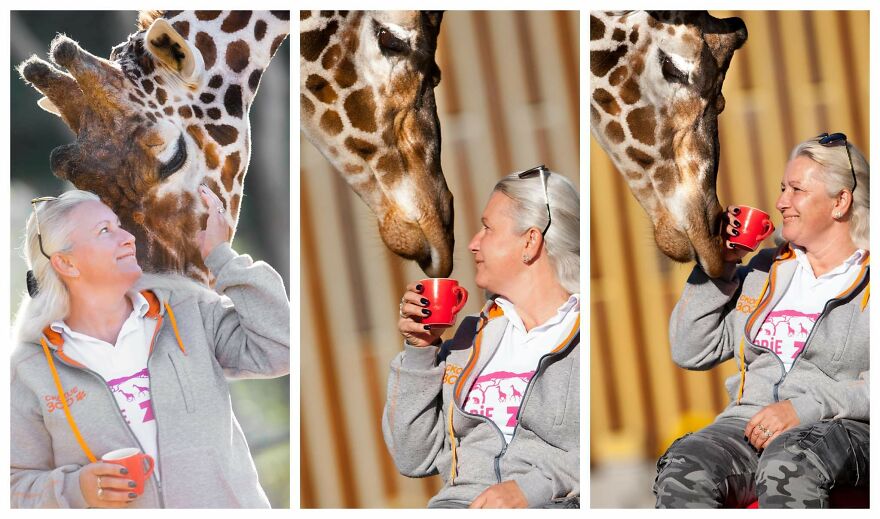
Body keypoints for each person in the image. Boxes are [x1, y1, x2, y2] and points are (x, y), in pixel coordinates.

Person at [11, 187, 290, 508]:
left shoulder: (188, 311)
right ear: (66, 263)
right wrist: (77, 489)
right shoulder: (29, 369)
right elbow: (13, 487)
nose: (128, 237)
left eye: (119, 225)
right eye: (105, 231)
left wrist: (222, 256)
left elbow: (281, 346)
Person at [654, 133, 869, 508]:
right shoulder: (764, 270)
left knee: (789, 462)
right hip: (748, 423)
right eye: (782, 188)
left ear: (840, 202)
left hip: (841, 427)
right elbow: (690, 350)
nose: (781, 202)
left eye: (796, 190)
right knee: (685, 465)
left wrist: (802, 409)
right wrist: (719, 267)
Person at [382, 166, 580, 508]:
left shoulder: (582, 334)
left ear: (530, 241)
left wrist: (531, 490)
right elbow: (413, 457)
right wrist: (421, 350)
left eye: (487, 228)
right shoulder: (470, 338)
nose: (473, 244)